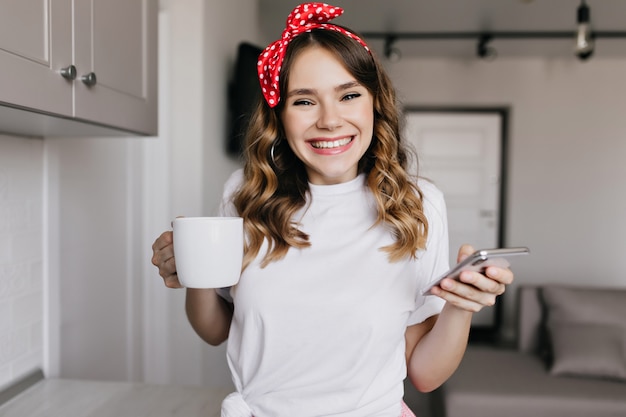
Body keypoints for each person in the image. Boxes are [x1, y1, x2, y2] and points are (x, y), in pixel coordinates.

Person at [151, 3, 514, 417]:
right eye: (304, 101)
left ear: (375, 105)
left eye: (349, 95)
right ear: (280, 118)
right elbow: (215, 330)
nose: (329, 120)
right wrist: (193, 269)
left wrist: (460, 307)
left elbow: (425, 375)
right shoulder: (244, 194)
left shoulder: (418, 204)